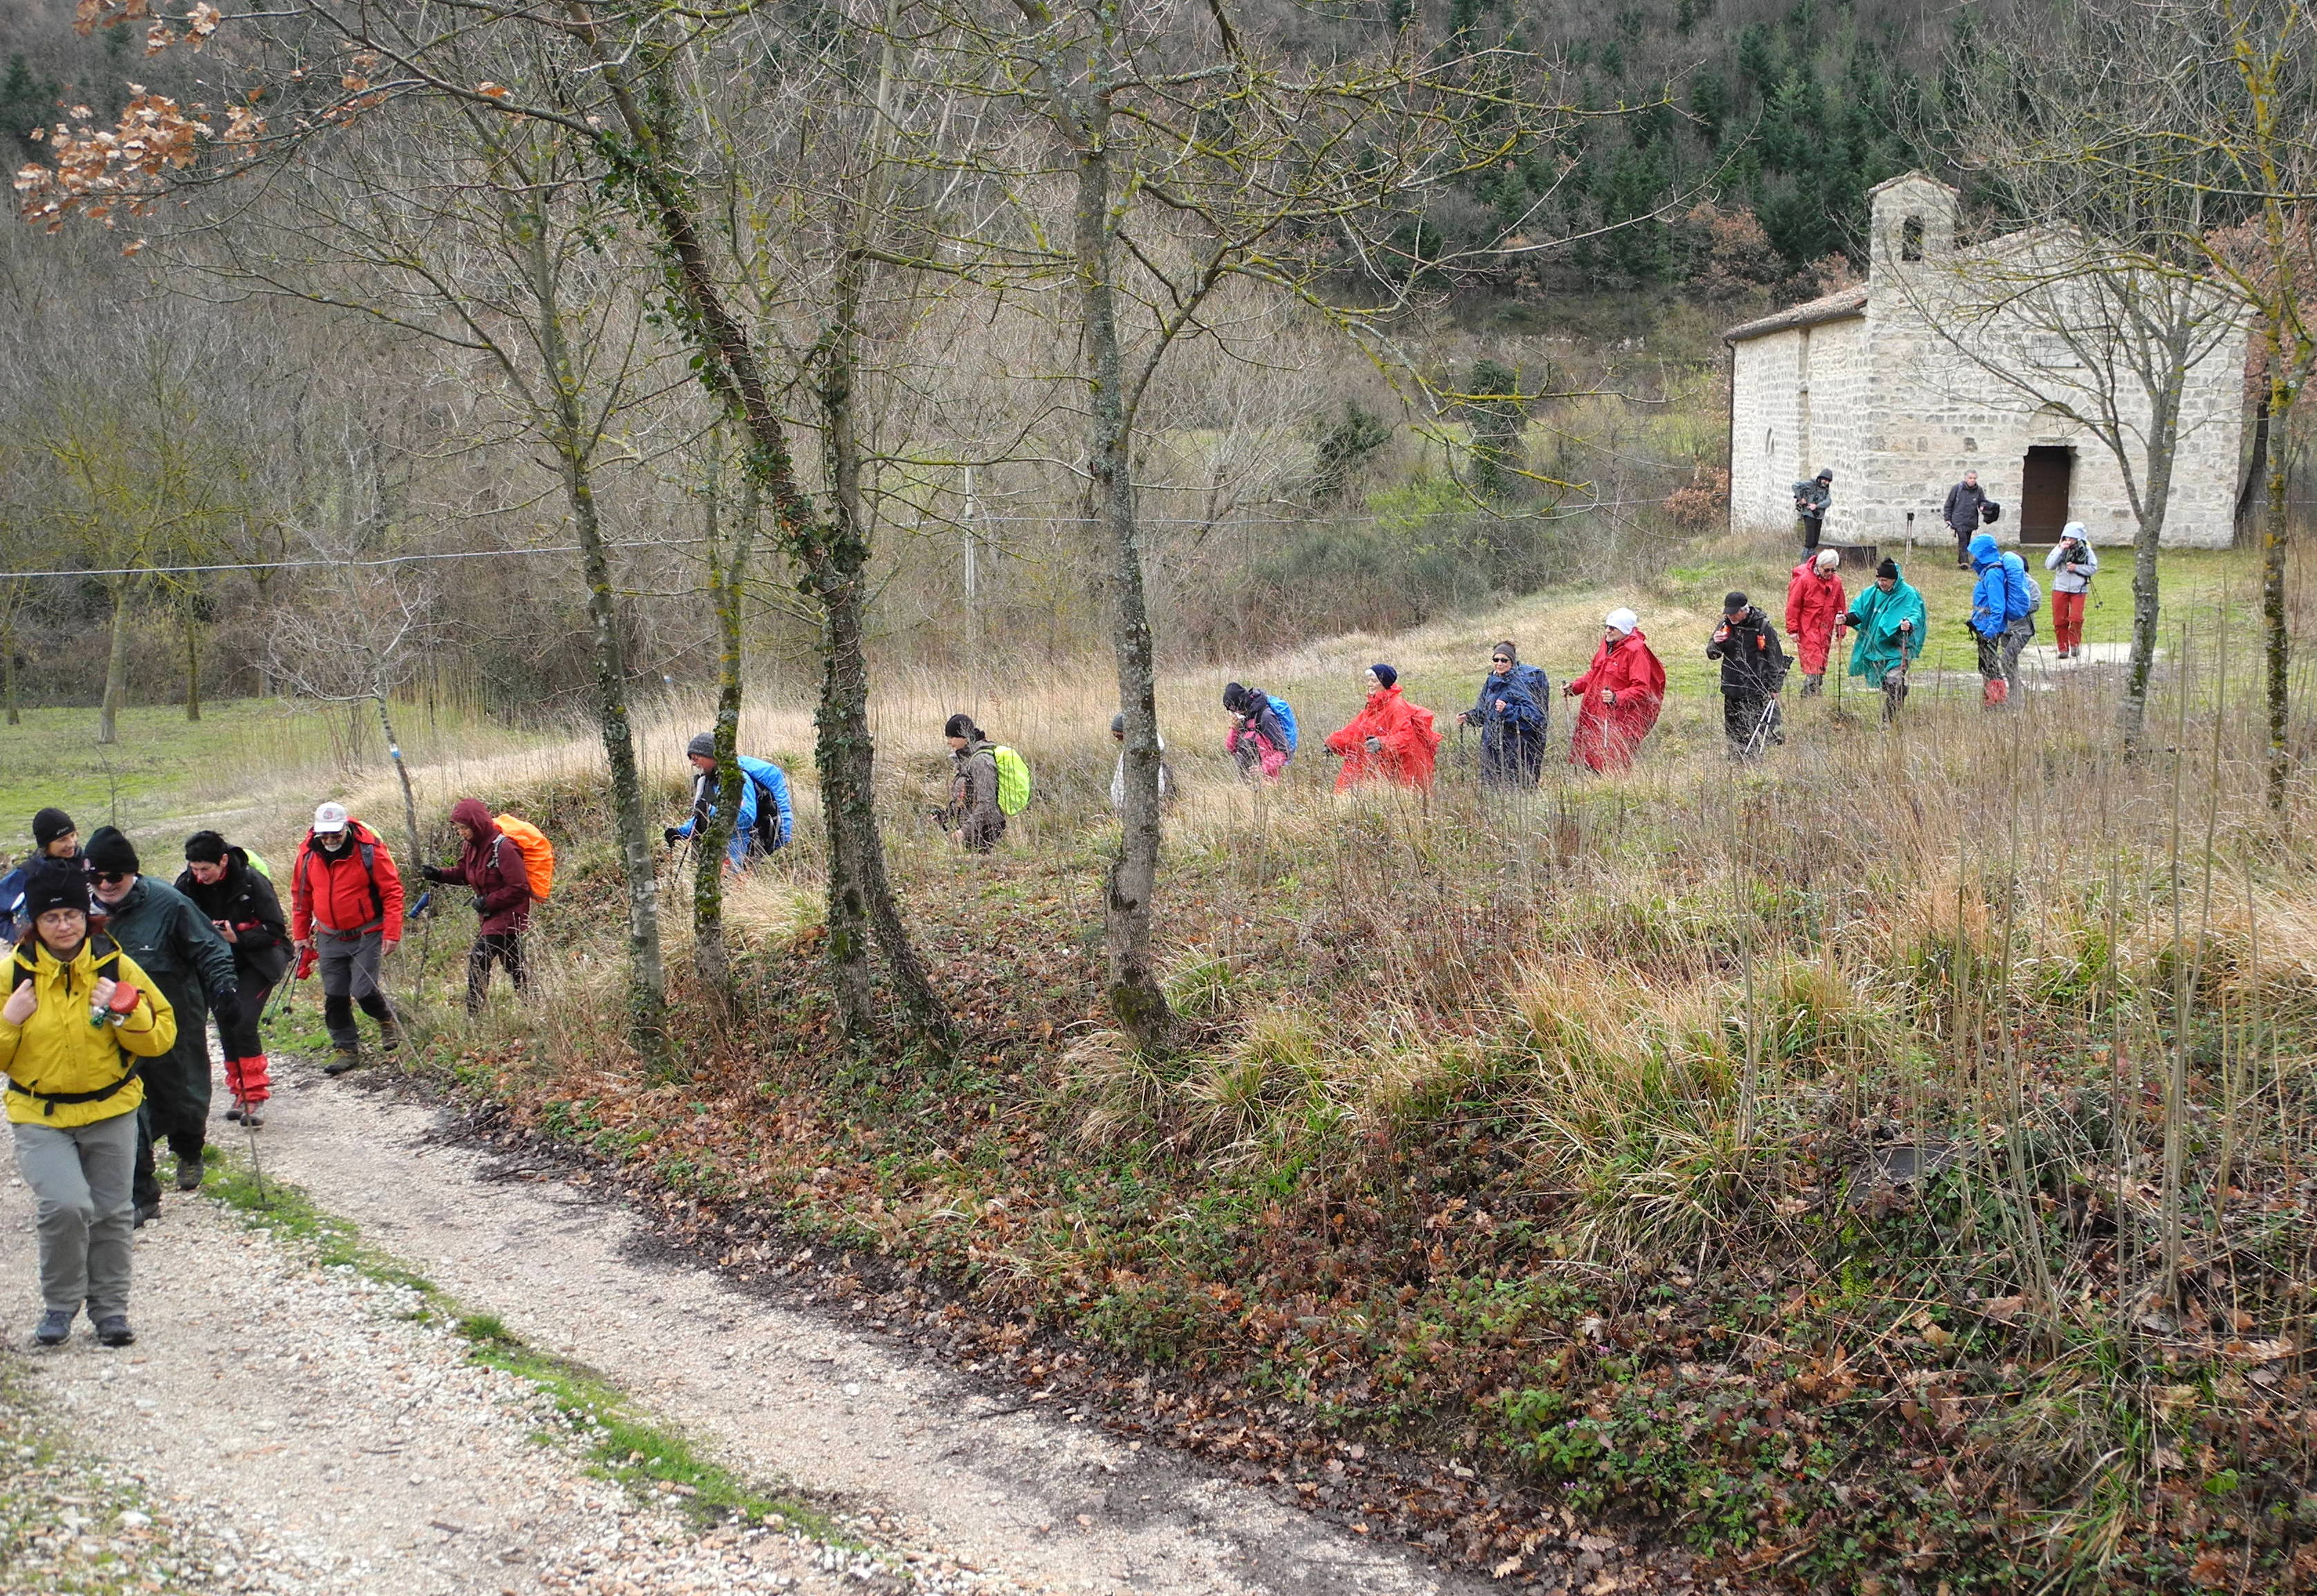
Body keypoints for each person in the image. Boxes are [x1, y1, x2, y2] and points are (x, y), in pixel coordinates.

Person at [4, 861, 176, 1348]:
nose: (64, 926)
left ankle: (110, 1312)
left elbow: (162, 1036)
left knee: (112, 1211)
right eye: (52, 917)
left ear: (88, 915)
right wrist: (10, 1021)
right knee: (64, 1205)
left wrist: (128, 1011)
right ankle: (60, 1306)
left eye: (72, 915)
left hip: (112, 1108)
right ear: (33, 923)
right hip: (41, 1114)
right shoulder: (12, 973)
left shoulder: (117, 966)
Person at [81, 827, 236, 1226]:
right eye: (96, 877)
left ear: (132, 872)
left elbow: (210, 946)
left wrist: (225, 987)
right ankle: (142, 1191)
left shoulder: (169, 902)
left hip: (173, 1014)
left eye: (114, 876)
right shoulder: (81, 913)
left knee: (183, 1092)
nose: (105, 885)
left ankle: (189, 1149)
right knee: (128, 1103)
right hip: (111, 1025)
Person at [175, 831, 289, 1128]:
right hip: (215, 965)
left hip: (257, 961)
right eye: (194, 868)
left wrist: (236, 936)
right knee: (226, 1022)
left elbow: (275, 928)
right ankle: (239, 1091)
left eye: (206, 869)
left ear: (223, 860)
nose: (200, 876)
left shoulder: (251, 881)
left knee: (243, 1021)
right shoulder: (186, 884)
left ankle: (255, 1095)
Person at [289, 802, 404, 1076]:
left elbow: (392, 892)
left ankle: (387, 1018)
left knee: (363, 990)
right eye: (324, 835)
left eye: (335, 835)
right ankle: (346, 1049)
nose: (329, 840)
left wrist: (392, 932)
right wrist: (300, 934)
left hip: (367, 932)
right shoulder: (307, 856)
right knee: (335, 995)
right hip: (329, 935)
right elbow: (301, 896)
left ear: (346, 829)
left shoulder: (370, 850)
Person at [419, 800, 533, 1015]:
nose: (461, 833)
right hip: (491, 916)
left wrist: (488, 902)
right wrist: (440, 874)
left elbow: (520, 887)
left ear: (477, 824)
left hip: (509, 915)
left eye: (464, 828)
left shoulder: (505, 848)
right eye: (458, 829)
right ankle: (533, 1003)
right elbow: (464, 873)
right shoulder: (471, 847)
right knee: (514, 964)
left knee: (479, 957)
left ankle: (473, 1014)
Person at [665, 732, 793, 873]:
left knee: (735, 893)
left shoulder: (737, 780)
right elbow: (701, 816)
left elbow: (747, 817)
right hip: (721, 853)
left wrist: (711, 811)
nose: (693, 763)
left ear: (712, 756)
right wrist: (680, 832)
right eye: (691, 759)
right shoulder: (709, 781)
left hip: (740, 854)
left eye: (696, 758)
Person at [1565, 609, 1665, 773]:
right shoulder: (1607, 645)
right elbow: (1595, 673)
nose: (1608, 631)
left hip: (1620, 719)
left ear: (1625, 630)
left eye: (1613, 628)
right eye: (1607, 626)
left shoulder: (1636, 651)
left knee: (1614, 765)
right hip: (1596, 714)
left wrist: (1616, 698)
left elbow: (1642, 688)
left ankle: (1615, 793)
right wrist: (1574, 688)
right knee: (1591, 760)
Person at [1324, 664, 1440, 791]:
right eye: (1369, 680)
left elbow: (1405, 736)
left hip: (1401, 767)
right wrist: (1334, 743)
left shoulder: (1396, 706)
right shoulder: (1374, 705)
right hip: (1377, 764)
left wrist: (1382, 743)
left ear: (1384, 683)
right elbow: (1355, 729)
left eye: (1374, 681)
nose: (1370, 684)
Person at [1706, 591, 1789, 760]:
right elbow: (1713, 654)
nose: (1731, 616)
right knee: (1733, 729)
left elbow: (1776, 659)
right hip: (1731, 686)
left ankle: (1753, 762)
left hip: (1755, 688)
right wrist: (1716, 642)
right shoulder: (1725, 625)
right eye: (1728, 612)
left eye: (1734, 612)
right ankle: (1736, 760)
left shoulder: (1763, 626)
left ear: (1745, 610)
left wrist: (1775, 687)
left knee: (1753, 727)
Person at [1457, 641, 1550, 789]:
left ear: (1512, 661)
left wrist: (1508, 710)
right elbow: (1484, 712)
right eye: (1496, 660)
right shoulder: (1491, 681)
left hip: (1516, 746)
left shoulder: (1519, 683)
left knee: (1515, 788)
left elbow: (1535, 716)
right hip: (1491, 745)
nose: (1499, 664)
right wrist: (1469, 717)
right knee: (1492, 788)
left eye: (1504, 660)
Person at [1843, 559, 1927, 723]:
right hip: (1876, 647)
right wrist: (1845, 618)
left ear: (1894, 580)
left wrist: (1908, 625)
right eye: (1879, 579)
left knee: (1893, 683)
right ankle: (1900, 693)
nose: (1881, 583)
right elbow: (1859, 612)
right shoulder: (1872, 592)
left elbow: (1915, 615)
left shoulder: (1908, 594)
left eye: (1885, 580)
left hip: (1898, 646)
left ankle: (1887, 720)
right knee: (1886, 683)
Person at [0, 808, 82, 943]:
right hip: (42, 956)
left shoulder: (86, 862)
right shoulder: (28, 873)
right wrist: (19, 936)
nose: (71, 843)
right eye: (62, 839)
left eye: (73, 835)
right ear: (46, 845)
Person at [1784, 548, 1847, 697]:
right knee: (1814, 663)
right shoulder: (1804, 580)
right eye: (1827, 570)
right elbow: (1793, 606)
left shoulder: (1836, 583)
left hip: (1826, 629)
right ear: (1818, 567)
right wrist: (1793, 629)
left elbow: (1841, 607)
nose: (1830, 573)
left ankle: (1812, 693)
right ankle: (1809, 692)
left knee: (1821, 663)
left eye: (1833, 570)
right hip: (1807, 628)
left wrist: (1841, 629)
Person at [939, 714, 1005, 852]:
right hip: (975, 830)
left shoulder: (981, 761)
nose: (949, 742)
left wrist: (964, 831)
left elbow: (987, 803)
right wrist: (944, 815)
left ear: (964, 737)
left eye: (952, 737)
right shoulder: (967, 758)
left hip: (988, 831)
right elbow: (965, 797)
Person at [1967, 531, 2012, 707]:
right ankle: (1990, 700)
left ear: (1982, 553)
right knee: (1986, 665)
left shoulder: (1993, 573)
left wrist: (1991, 630)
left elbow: (1997, 606)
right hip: (1984, 626)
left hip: (1989, 629)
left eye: (1975, 552)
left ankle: (1996, 702)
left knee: (1991, 666)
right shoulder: (1989, 571)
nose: (1972, 556)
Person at [2045, 523, 2098, 660]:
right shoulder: (2059, 548)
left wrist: (2077, 568)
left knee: (2076, 618)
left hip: (2079, 588)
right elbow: (2049, 565)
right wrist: (2060, 550)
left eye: (2072, 538)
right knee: (2059, 620)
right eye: (2067, 538)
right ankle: (2063, 648)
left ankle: (2075, 643)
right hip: (2060, 588)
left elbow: (2093, 568)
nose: (2069, 541)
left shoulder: (2086, 550)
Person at [1222, 683, 1292, 782]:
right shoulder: (1242, 718)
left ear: (1240, 705)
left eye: (1233, 709)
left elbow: (1284, 753)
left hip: (1267, 781)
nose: (1233, 713)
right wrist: (1234, 729)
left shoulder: (1265, 717)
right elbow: (1230, 749)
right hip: (1245, 779)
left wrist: (1263, 769)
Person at [1108, 715, 1174, 812]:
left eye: (1119, 736)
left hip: (1139, 812)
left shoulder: (1149, 756)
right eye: (1115, 736)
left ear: (1130, 733)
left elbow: (1158, 788)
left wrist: (1126, 808)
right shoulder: (1131, 752)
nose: (1117, 740)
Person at [2000, 549, 2039, 693]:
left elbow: (2036, 604)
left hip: (2023, 630)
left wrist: (2017, 607)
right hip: (2006, 629)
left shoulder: (2031, 584)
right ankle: (2015, 692)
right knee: (2011, 662)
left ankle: (2018, 690)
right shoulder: (2005, 582)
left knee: (2006, 660)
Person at [1943, 470, 1988, 569]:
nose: (1972, 480)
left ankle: (1961, 561)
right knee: (1963, 540)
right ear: (1965, 478)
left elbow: (1982, 502)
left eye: (1974, 478)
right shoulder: (1957, 488)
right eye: (1970, 478)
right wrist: (1947, 517)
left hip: (1971, 520)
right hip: (1958, 519)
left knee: (1966, 541)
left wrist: (1982, 507)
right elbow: (1949, 504)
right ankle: (1965, 562)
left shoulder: (1979, 490)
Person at [1792, 468, 1832, 551]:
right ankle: (1805, 561)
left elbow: (1828, 502)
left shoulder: (1826, 490)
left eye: (1828, 481)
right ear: (1821, 478)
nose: (1826, 482)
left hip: (1819, 516)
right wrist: (1801, 499)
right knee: (1809, 542)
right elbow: (1795, 486)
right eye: (1825, 479)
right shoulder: (1811, 484)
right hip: (1809, 514)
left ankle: (1811, 560)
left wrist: (1816, 506)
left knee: (1815, 542)